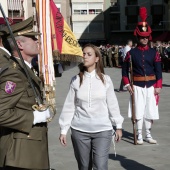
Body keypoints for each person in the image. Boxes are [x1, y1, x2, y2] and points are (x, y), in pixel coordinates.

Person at [59, 44, 124, 170]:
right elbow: (69, 106)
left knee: (100, 166)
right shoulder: (76, 80)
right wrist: (63, 129)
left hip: (102, 130)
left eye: (89, 54)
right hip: (80, 130)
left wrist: (119, 126)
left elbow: (113, 104)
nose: (85, 56)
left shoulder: (106, 80)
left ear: (97, 58)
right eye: (83, 54)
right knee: (84, 166)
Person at [0, 17, 51, 169]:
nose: (37, 41)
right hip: (20, 155)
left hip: (29, 152)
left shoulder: (26, 69)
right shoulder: (14, 74)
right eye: (33, 38)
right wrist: (34, 117)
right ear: (20, 44)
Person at [122, 7, 162, 145]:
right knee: (138, 111)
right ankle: (139, 135)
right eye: (142, 37)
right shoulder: (131, 53)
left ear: (149, 37)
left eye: (146, 37)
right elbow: (124, 70)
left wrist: (158, 86)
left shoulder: (154, 52)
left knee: (149, 110)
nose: (144, 39)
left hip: (151, 86)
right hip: (137, 86)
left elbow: (158, 71)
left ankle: (148, 134)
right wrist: (127, 85)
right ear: (138, 37)